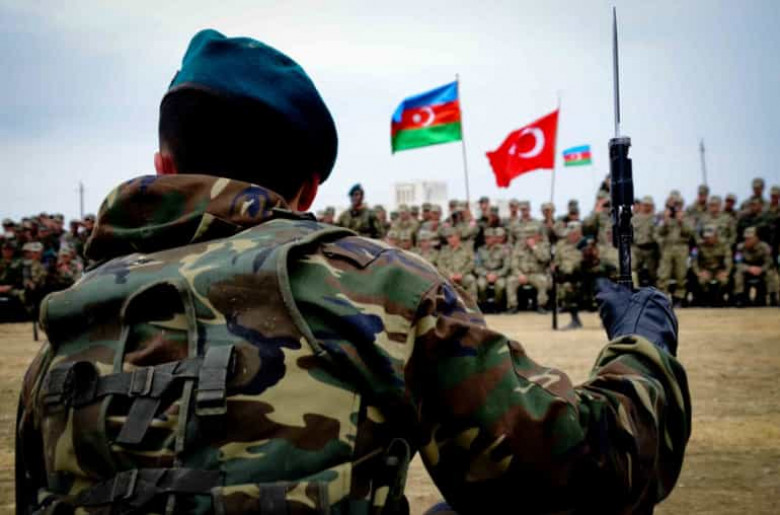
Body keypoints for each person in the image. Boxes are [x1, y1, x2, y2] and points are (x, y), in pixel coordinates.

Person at [17, 29, 691, 515]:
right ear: (309, 189)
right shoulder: (376, 288)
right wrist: (643, 346)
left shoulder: (68, 329)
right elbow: (583, 471)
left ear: (164, 166)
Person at [656, 195, 694, 306]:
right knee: (663, 274)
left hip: (681, 248)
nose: (676, 207)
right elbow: (659, 232)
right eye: (673, 205)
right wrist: (665, 221)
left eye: (678, 205)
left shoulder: (687, 217)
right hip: (667, 247)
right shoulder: (664, 216)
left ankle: (679, 297)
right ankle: (662, 297)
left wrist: (681, 221)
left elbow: (690, 233)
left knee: (681, 274)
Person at [692, 225, 732, 306]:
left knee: (724, 280)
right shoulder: (699, 245)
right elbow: (694, 261)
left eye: (709, 237)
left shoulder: (724, 245)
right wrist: (698, 272)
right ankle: (706, 299)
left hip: (719, 270)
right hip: (705, 269)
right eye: (705, 237)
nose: (707, 239)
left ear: (716, 236)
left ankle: (720, 298)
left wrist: (726, 272)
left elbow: (728, 260)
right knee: (702, 280)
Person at [733, 227, 773, 306]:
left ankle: (773, 296)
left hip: (761, 270)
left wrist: (761, 269)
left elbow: (769, 262)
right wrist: (748, 268)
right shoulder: (740, 247)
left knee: (771, 274)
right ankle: (739, 297)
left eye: (750, 239)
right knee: (738, 274)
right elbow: (737, 263)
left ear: (756, 238)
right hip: (747, 271)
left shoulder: (765, 247)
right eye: (746, 239)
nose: (747, 241)